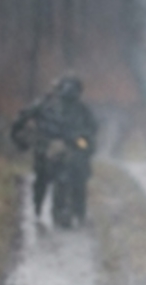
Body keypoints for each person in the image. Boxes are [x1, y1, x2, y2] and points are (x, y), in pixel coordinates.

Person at [10, 74, 98, 227]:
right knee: (43, 180)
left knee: (74, 176)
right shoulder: (47, 104)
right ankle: (44, 209)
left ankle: (69, 211)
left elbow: (92, 130)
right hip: (47, 148)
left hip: (68, 149)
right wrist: (24, 139)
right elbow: (21, 120)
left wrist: (83, 143)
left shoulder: (76, 108)